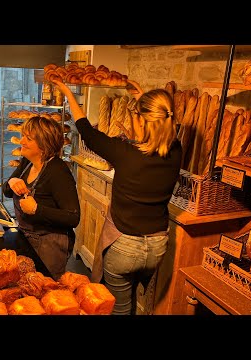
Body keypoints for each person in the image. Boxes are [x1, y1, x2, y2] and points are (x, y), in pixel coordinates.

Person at [53, 79, 182, 314]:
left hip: (125, 247)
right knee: (135, 300)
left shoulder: (124, 152)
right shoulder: (175, 151)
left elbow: (85, 129)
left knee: (119, 308)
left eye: (136, 116)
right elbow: (164, 122)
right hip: (156, 247)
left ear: (143, 121)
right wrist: (142, 97)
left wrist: (67, 92)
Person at [2, 116, 80, 280]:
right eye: (23, 135)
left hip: (49, 245)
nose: (21, 141)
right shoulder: (27, 162)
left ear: (44, 145)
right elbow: (7, 191)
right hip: (26, 237)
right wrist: (12, 181)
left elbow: (73, 217)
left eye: (28, 138)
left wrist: (37, 209)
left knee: (44, 289)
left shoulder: (58, 172)